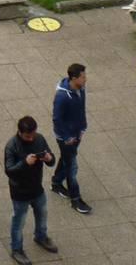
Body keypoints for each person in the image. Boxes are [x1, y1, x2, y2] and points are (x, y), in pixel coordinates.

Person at [3, 115, 59, 260]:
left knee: (42, 214)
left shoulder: (39, 139)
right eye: (28, 136)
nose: (31, 138)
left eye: (33, 134)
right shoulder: (12, 146)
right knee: (19, 221)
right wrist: (24, 163)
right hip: (20, 192)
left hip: (36, 187)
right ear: (20, 132)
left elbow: (51, 160)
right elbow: (9, 171)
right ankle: (16, 249)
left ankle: (41, 236)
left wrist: (49, 158)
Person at [50, 64, 91, 215]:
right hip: (66, 138)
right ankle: (75, 199)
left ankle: (56, 183)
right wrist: (67, 137)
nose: (85, 79)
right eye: (83, 76)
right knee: (72, 168)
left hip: (77, 132)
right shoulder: (62, 97)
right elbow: (57, 119)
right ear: (74, 78)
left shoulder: (81, 89)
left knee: (67, 160)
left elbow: (81, 109)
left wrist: (82, 127)